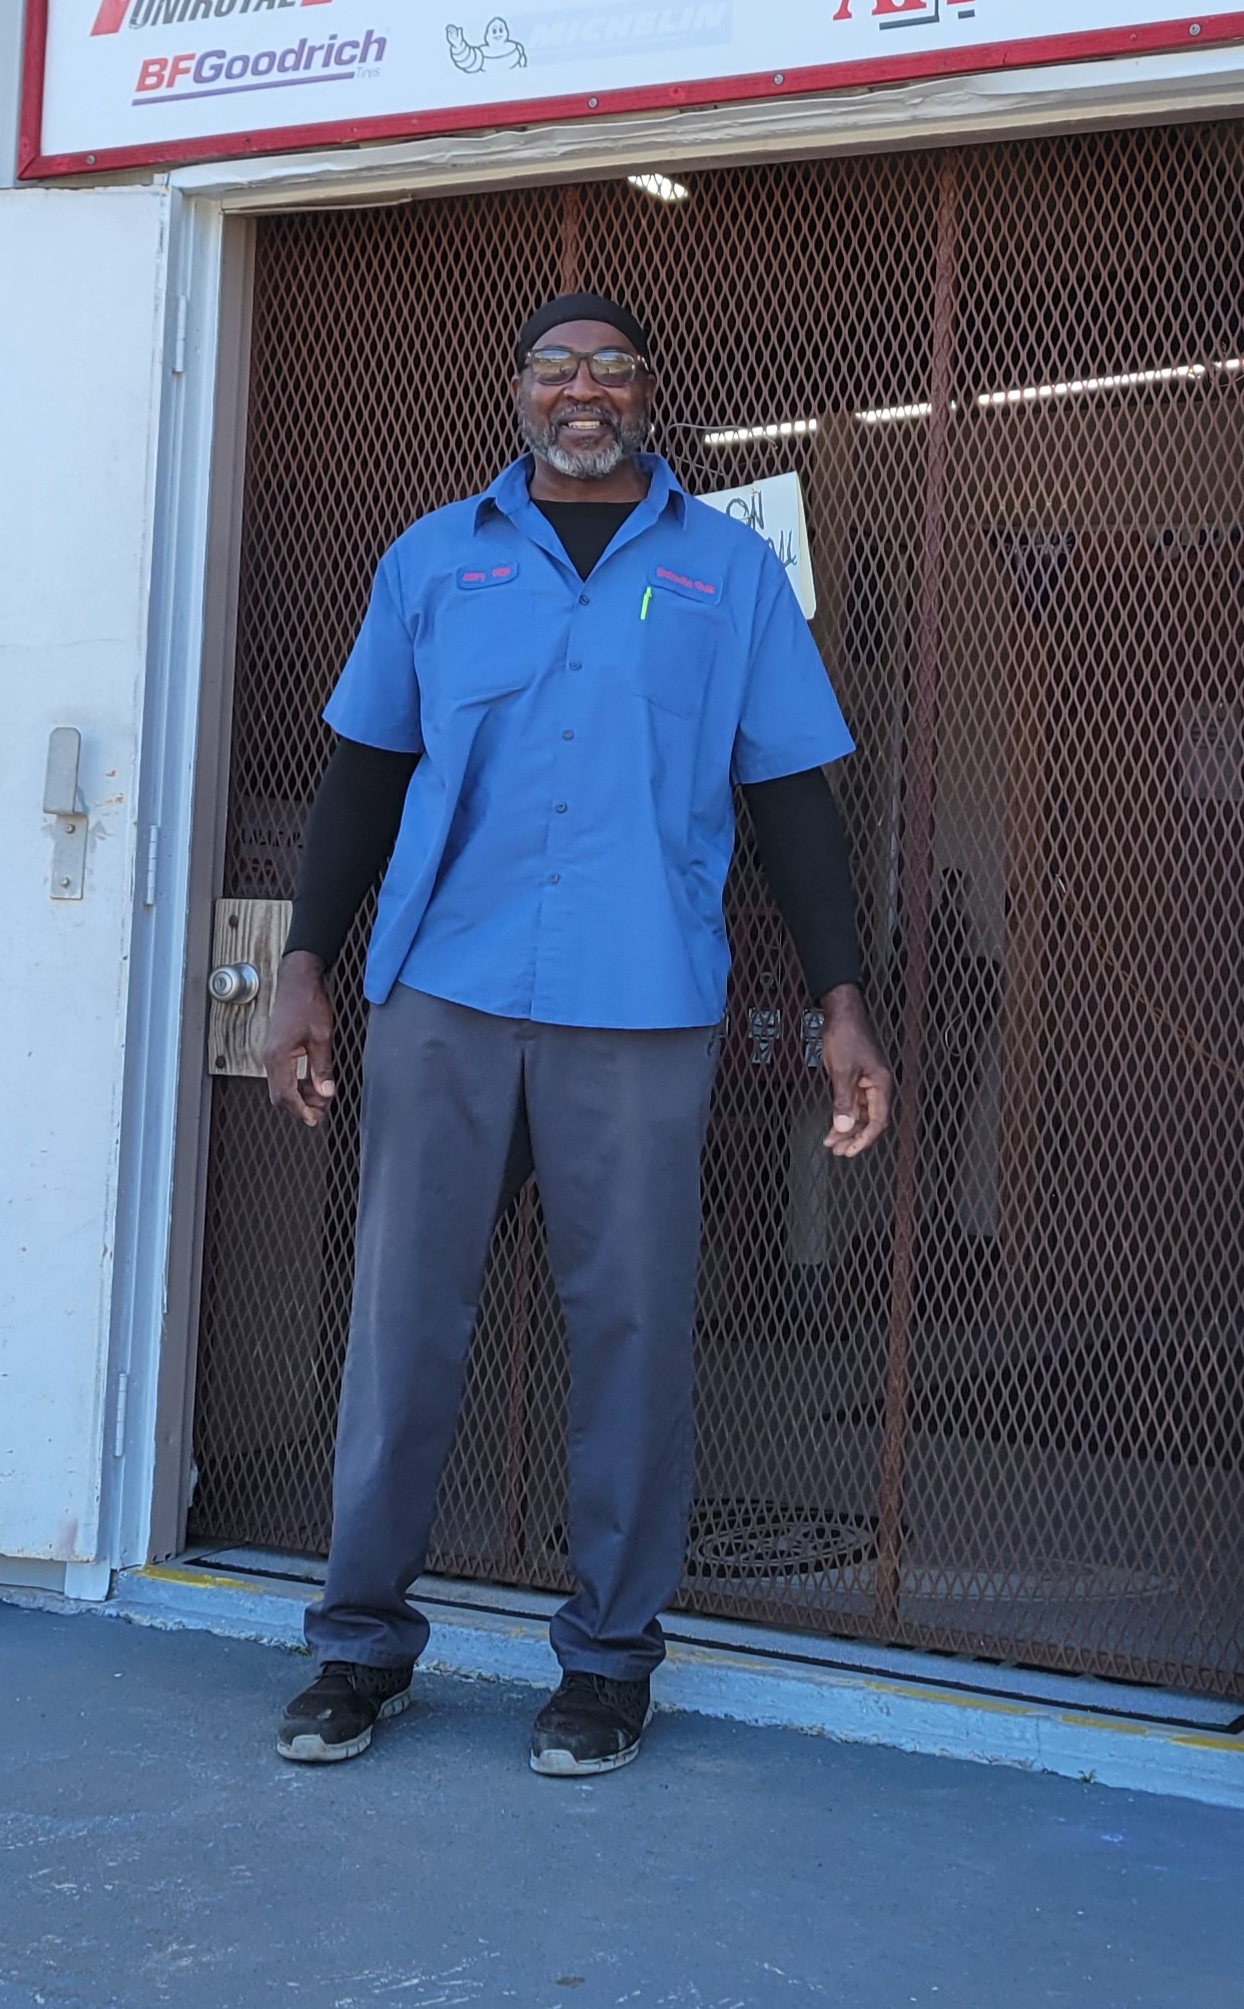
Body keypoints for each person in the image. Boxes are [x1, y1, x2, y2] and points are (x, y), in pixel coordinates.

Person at [264, 294, 894, 1777]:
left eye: (611, 366)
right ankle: (359, 1645)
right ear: (519, 391)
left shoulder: (729, 571)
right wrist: (303, 967)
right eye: (556, 366)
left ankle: (608, 1662)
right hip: (448, 995)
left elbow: (795, 798)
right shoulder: (434, 556)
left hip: (642, 1001)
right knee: (402, 1322)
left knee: (631, 1332)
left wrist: (841, 1000)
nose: (583, 390)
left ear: (648, 393)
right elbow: (363, 773)